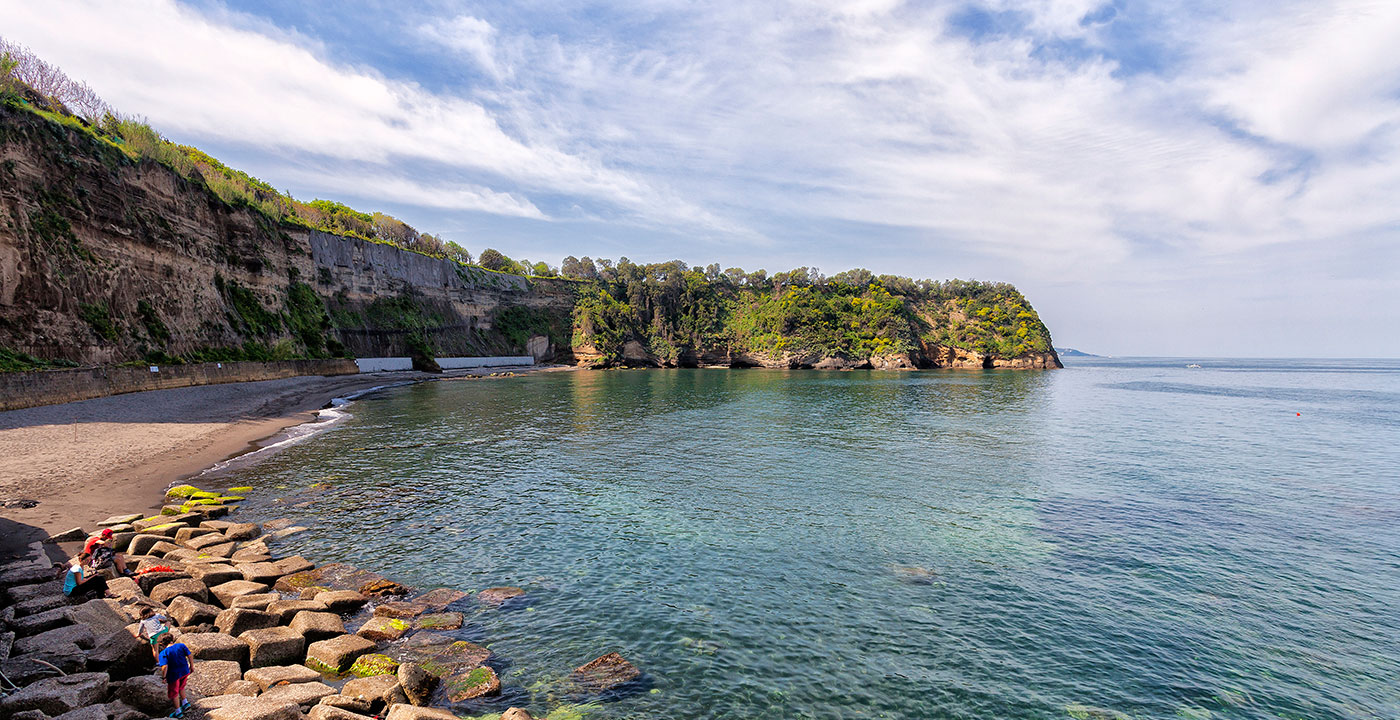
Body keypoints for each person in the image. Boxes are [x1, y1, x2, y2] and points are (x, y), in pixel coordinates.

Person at [155, 634, 193, 718]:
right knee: (181, 687)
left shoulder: (164, 653)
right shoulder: (181, 646)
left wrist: (164, 677)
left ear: (162, 644)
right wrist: (192, 666)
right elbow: (189, 655)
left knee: (174, 693)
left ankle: (178, 712)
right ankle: (185, 703)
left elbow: (165, 666)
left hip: (174, 675)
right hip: (185, 671)